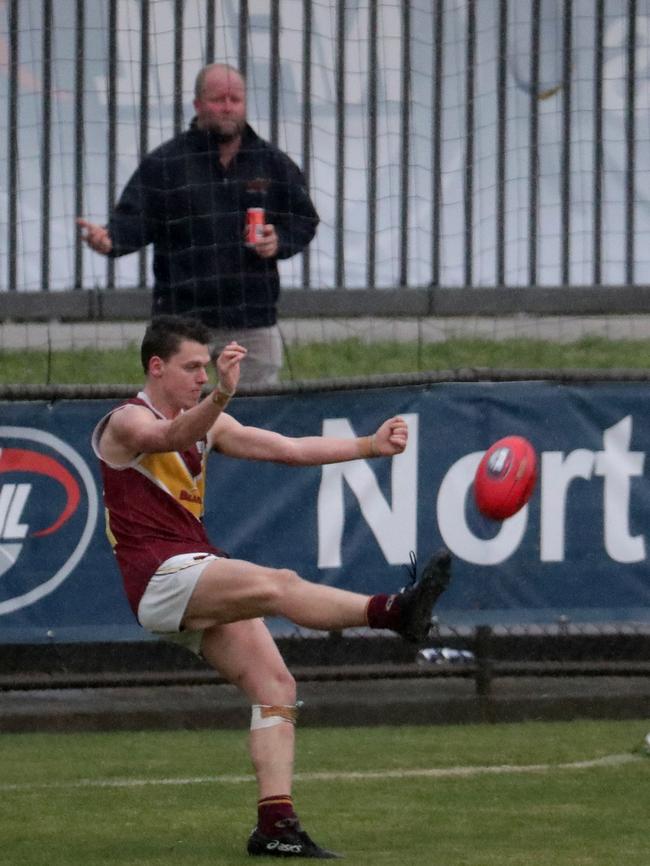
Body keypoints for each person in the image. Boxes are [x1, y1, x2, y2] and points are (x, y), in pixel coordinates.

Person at [91, 314, 452, 859]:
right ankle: (393, 612)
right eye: (191, 368)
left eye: (206, 368)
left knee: (276, 689)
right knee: (278, 584)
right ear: (155, 366)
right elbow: (168, 436)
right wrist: (222, 396)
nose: (201, 377)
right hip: (160, 576)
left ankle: (276, 827)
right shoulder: (126, 421)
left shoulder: (204, 420)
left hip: (192, 570)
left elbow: (287, 449)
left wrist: (369, 446)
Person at [78, 63, 319, 386]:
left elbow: (304, 220)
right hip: (181, 323)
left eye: (236, 99)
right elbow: (134, 220)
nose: (228, 107)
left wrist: (281, 241)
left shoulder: (271, 162)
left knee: (254, 426)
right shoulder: (166, 163)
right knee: (179, 425)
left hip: (251, 321)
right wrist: (109, 241)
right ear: (198, 105)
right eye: (219, 99)